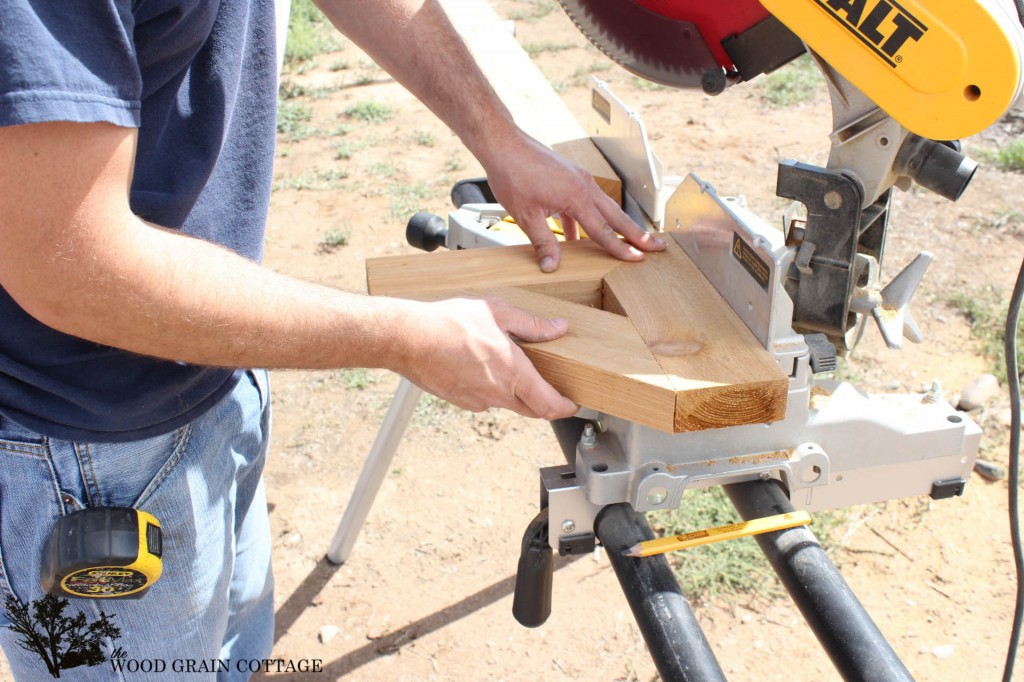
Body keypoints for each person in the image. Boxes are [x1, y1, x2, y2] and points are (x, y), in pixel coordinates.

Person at [0, 0, 664, 678]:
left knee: (234, 657)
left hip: (209, 367)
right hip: (88, 447)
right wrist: (401, 337)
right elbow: (64, 264)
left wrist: (499, 136)